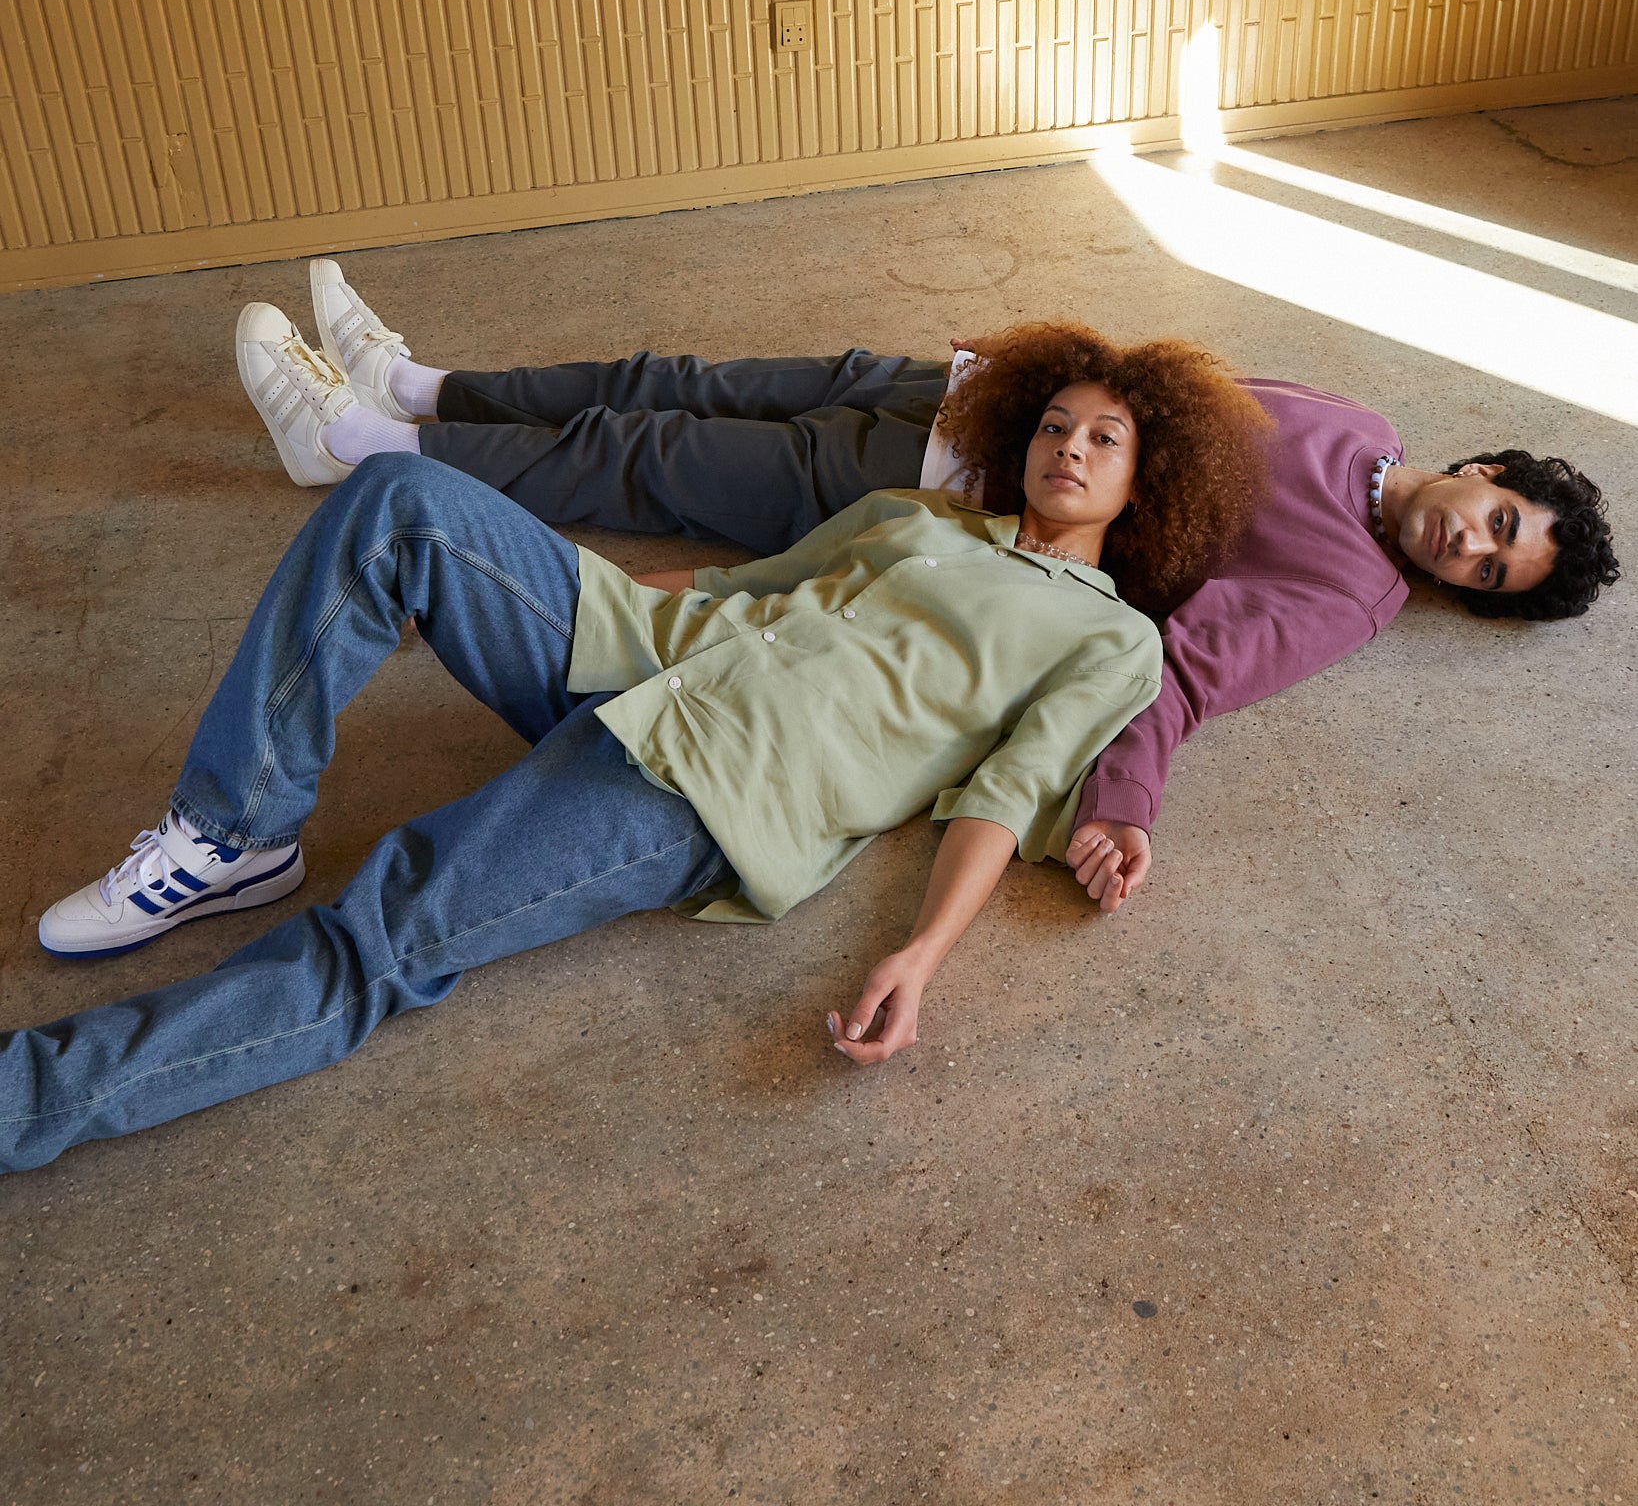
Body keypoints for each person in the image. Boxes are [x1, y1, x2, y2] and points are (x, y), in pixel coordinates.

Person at [9, 326, 1270, 1172]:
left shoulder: (1113, 638)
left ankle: (28, 1098)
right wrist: (499, 582)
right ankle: (235, 830)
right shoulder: (919, 512)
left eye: (1105, 438)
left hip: (715, 775)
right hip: (641, 649)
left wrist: (922, 952)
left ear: (1147, 480)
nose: (1069, 448)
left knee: (378, 937)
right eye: (1054, 423)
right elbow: (735, 584)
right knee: (399, 503)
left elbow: (1003, 792)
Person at [228, 261, 1622, 915]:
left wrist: (1120, 808)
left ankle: (358, 447)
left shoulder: (1349, 593)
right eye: (1497, 522)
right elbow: (1165, 399)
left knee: (649, 457)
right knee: (680, 378)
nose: (1468, 549)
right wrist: (1038, 377)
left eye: (1489, 574)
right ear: (1487, 467)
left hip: (959, 494)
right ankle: (418, 385)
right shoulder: (1363, 422)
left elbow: (1181, 674)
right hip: (984, 399)